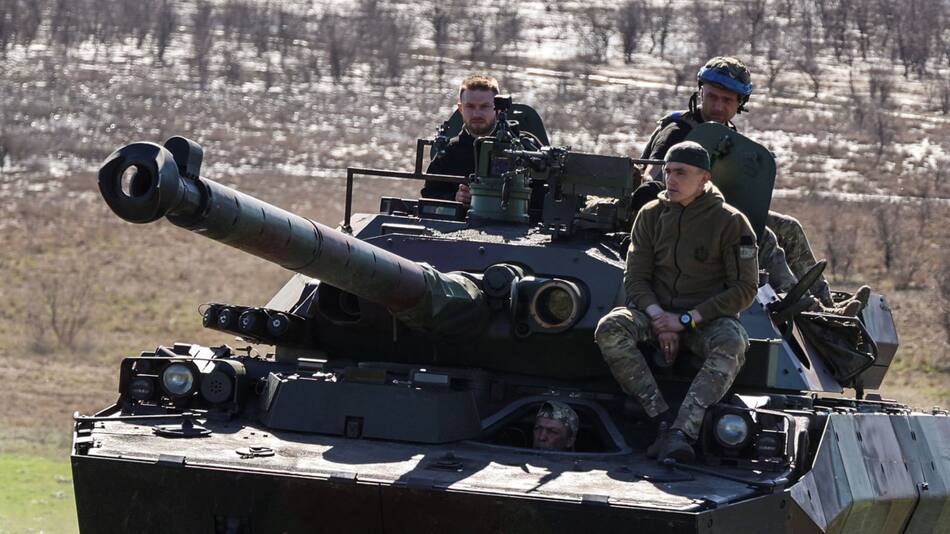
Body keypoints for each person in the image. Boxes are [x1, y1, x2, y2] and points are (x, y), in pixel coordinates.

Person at [636, 57, 870, 314]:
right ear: (700, 92)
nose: (717, 106)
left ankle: (828, 306)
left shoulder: (726, 137)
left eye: (727, 100)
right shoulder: (678, 131)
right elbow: (653, 180)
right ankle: (805, 307)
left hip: (714, 212)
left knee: (789, 228)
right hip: (679, 217)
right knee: (760, 235)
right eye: (712, 97)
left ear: (740, 103)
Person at [595, 141, 758, 464]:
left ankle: (684, 431)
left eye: (681, 173)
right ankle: (661, 419)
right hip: (654, 314)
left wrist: (685, 321)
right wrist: (659, 318)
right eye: (668, 172)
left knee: (732, 340)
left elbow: (744, 289)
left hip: (705, 320)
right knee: (611, 327)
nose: (671, 180)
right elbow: (636, 278)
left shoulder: (731, 222)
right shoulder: (651, 215)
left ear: (704, 178)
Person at [421, 74, 500, 204]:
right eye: (470, 106)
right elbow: (429, 194)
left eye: (485, 106)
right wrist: (455, 198)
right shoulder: (448, 152)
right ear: (461, 109)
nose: (477, 114)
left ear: (498, 109)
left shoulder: (521, 150)